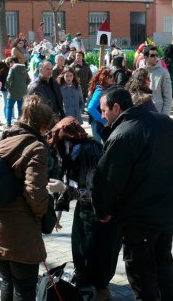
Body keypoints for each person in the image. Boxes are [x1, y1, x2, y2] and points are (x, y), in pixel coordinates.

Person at [92, 88, 173, 300]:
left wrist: (103, 211)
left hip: (140, 218)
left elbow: (107, 179)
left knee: (142, 274)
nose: (102, 116)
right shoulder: (164, 122)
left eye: (103, 110)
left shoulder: (122, 135)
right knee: (163, 261)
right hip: (167, 210)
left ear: (116, 107)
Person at [0, 95, 54, 301]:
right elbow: (35, 194)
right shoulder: (35, 147)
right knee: (24, 289)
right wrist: (44, 214)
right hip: (19, 231)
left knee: (8, 282)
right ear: (41, 125)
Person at [46, 118, 118, 300]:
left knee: (96, 254)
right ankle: (84, 282)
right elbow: (67, 177)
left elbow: (94, 192)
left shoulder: (89, 151)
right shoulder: (70, 150)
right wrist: (59, 212)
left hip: (99, 213)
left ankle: (100, 290)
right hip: (84, 209)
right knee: (79, 249)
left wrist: (64, 189)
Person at [87, 67, 115, 142]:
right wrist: (104, 121)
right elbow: (90, 108)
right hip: (98, 123)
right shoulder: (100, 91)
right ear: (104, 78)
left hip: (100, 123)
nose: (112, 78)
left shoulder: (107, 88)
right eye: (110, 76)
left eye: (113, 76)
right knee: (99, 148)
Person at [143, 46, 173, 115]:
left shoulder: (164, 73)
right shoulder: (140, 71)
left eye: (156, 55)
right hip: (142, 112)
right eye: (152, 55)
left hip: (158, 113)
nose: (155, 57)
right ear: (145, 57)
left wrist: (165, 116)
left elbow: (168, 96)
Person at [5, 57, 30, 128]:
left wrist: (7, 88)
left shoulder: (12, 69)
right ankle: (20, 124)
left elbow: (8, 79)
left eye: (10, 63)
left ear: (12, 62)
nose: (9, 65)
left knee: (9, 108)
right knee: (21, 108)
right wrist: (24, 87)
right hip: (22, 92)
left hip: (12, 92)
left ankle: (8, 124)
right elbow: (28, 80)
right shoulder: (24, 68)